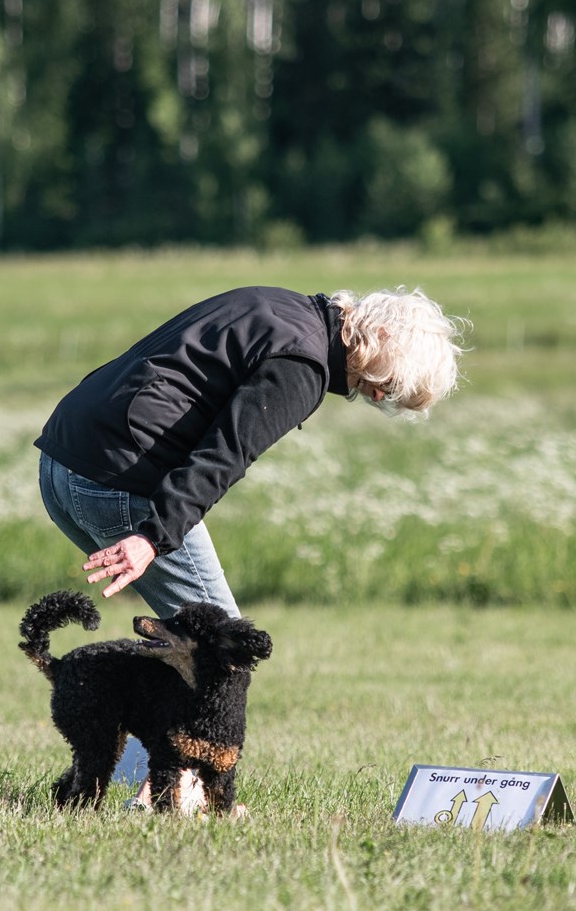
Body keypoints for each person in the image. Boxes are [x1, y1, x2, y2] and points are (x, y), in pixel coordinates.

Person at [34, 284, 467, 797]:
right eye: (387, 385)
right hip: (118, 478)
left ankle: (139, 782)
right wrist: (153, 536)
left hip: (63, 460)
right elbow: (223, 456)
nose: (377, 397)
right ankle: (174, 794)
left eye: (390, 397)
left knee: (182, 649)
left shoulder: (281, 307)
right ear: (381, 338)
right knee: (223, 651)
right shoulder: (301, 365)